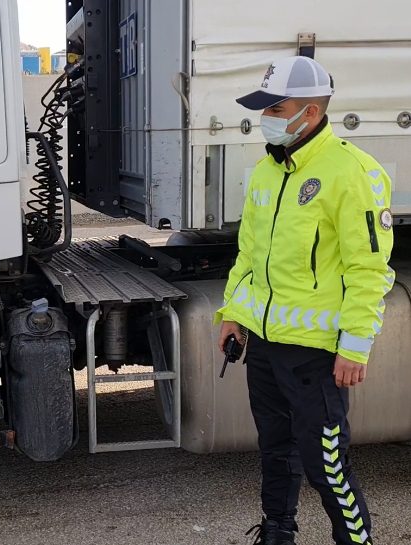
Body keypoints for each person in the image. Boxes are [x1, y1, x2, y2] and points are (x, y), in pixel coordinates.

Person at [215, 56, 394, 545]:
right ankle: (278, 532)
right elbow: (248, 253)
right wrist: (233, 314)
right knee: (274, 449)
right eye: (265, 107)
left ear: (311, 113)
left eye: (277, 107)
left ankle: (356, 541)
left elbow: (370, 269)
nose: (266, 116)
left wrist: (355, 344)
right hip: (266, 345)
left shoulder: (354, 173)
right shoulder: (266, 173)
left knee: (325, 464)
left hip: (316, 353)